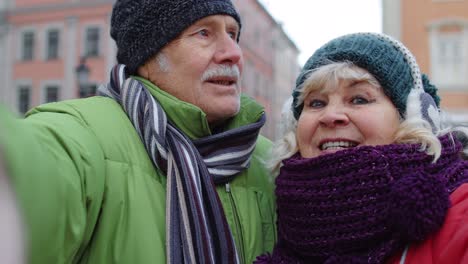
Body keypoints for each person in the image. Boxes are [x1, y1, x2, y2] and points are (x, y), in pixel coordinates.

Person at [0, 0, 276, 263]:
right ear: (148, 55)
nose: (234, 53)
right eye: (204, 33)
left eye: (232, 33)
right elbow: (32, 175)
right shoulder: (84, 135)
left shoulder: (273, 160)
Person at [255, 32, 468, 264]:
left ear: (412, 116)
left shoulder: (460, 213)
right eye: (316, 103)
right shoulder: (271, 215)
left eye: (359, 99)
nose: (331, 116)